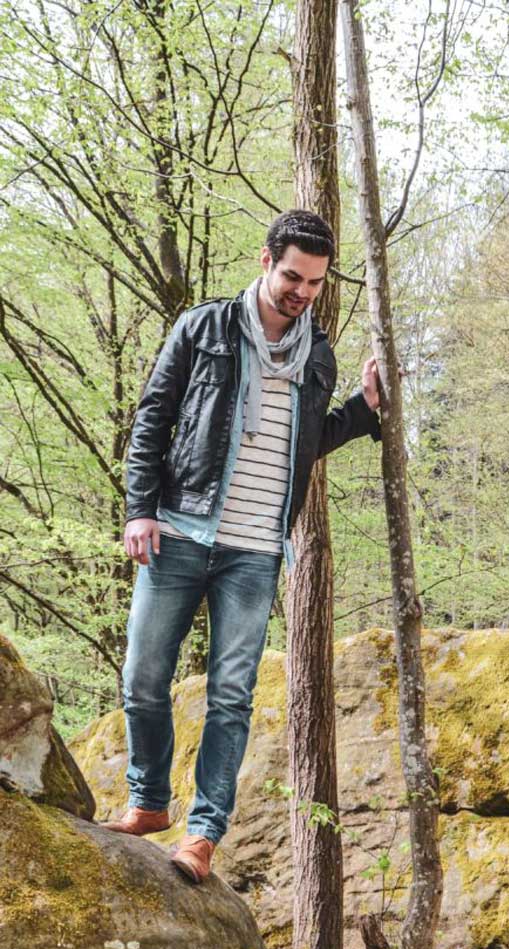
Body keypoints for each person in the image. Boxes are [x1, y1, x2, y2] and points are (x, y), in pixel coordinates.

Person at [104, 210, 381, 883]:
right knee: (143, 678)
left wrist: (365, 409)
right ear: (266, 261)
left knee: (231, 695)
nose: (302, 292)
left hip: (255, 550)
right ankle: (148, 802)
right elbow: (152, 421)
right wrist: (140, 509)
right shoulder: (203, 328)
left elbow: (306, 442)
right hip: (180, 530)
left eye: (314, 283)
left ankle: (202, 834)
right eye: (293, 276)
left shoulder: (317, 353)